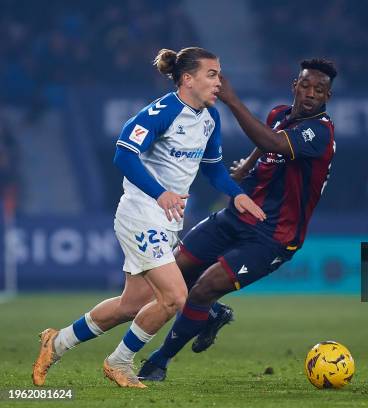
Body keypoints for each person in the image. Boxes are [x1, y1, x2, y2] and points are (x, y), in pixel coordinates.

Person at [32, 47, 264, 388]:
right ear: (188, 79)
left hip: (167, 220)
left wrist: (238, 193)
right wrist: (161, 193)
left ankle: (58, 341)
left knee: (132, 304)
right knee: (174, 297)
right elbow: (123, 156)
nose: (220, 82)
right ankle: (119, 363)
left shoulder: (209, 120)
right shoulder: (162, 112)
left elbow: (213, 170)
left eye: (219, 74)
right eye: (212, 74)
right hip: (141, 213)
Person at [137, 58, 337, 381]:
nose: (311, 93)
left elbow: (274, 143)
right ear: (294, 87)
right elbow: (268, 138)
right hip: (236, 216)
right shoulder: (279, 115)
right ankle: (212, 315)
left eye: (320, 89)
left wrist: (230, 99)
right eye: (305, 85)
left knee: (203, 289)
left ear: (327, 97)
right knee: (172, 275)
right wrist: (246, 168)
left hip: (272, 237)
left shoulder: (320, 133)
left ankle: (158, 362)